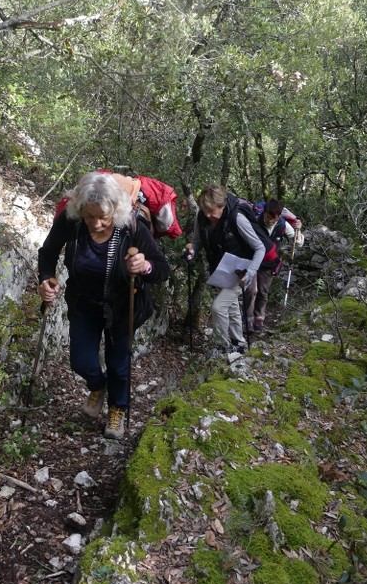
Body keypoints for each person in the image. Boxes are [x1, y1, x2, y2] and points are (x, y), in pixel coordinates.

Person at [38, 172, 170, 440]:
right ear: (80, 210)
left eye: (103, 217)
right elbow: (48, 252)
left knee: (119, 363)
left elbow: (162, 270)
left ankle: (117, 409)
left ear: (116, 210)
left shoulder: (132, 227)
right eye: (89, 216)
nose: (96, 223)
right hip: (84, 302)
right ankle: (98, 385)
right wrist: (45, 279)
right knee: (80, 361)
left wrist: (144, 266)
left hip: (123, 306)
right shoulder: (71, 220)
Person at [185, 185, 265, 356]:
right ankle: (239, 343)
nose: (208, 215)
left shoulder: (237, 218)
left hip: (241, 272)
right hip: (221, 271)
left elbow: (260, 248)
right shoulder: (201, 217)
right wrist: (192, 250)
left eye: (212, 211)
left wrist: (250, 273)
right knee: (231, 306)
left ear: (222, 206)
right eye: (205, 211)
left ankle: (222, 346)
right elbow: (198, 241)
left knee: (218, 307)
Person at [244, 198, 304, 333]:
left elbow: (298, 243)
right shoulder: (254, 220)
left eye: (274, 219)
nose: (271, 221)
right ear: (264, 212)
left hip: (269, 262)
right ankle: (248, 320)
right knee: (251, 291)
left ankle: (259, 319)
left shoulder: (282, 225)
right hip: (252, 260)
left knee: (263, 292)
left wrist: (298, 230)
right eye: (269, 217)